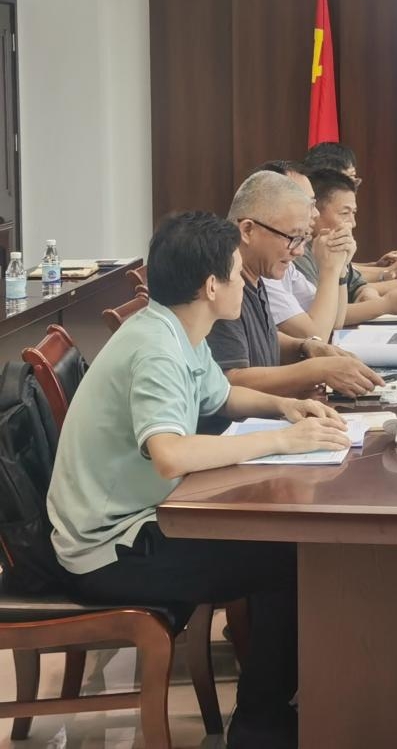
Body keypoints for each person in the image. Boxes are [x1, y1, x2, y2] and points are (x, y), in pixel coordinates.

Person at [46, 211, 353, 749]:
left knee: (287, 549)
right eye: (235, 272)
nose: (241, 283)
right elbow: (169, 455)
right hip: (109, 550)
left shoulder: (175, 327)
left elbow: (223, 396)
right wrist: (282, 441)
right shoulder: (157, 349)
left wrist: (285, 408)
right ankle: (261, 730)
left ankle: (275, 712)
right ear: (211, 286)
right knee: (291, 560)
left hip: (140, 521)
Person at [207, 170, 383, 397]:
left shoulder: (257, 275)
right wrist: (316, 370)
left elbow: (261, 341)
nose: (299, 251)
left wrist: (305, 347)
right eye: (292, 238)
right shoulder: (222, 285)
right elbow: (229, 382)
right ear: (248, 230)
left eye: (303, 239)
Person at [292, 169, 397, 327]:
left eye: (354, 213)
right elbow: (325, 318)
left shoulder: (333, 249)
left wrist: (368, 296)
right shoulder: (297, 254)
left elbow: (359, 287)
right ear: (315, 213)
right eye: (345, 213)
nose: (353, 223)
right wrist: (385, 305)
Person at [255, 160, 354, 343]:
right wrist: (329, 270)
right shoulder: (265, 262)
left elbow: (336, 322)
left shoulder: (287, 253)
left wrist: (339, 269)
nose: (315, 213)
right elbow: (317, 336)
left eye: (313, 203)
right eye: (306, 203)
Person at [304, 142, 397, 287]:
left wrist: (377, 267)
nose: (354, 185)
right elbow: (336, 287)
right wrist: (390, 275)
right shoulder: (299, 247)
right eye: (350, 178)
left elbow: (347, 273)